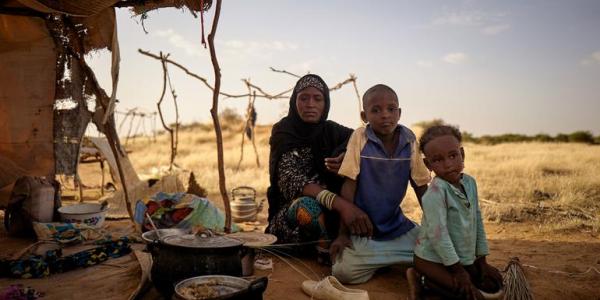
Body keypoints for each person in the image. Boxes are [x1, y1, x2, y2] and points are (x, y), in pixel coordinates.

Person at [330, 84, 431, 284]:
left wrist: (435, 227)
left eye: (391, 109)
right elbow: (349, 185)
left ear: (399, 113)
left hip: (397, 226)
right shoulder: (360, 137)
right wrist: (342, 234)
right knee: (343, 272)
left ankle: (381, 260)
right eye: (376, 110)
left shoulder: (409, 139)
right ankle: (397, 260)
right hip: (364, 230)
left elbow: (421, 187)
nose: (385, 115)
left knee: (437, 250)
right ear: (364, 115)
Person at [266, 74, 372, 259]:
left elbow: (363, 138)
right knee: (308, 207)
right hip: (293, 215)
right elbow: (291, 180)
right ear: (294, 101)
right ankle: (323, 253)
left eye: (317, 98)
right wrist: (342, 205)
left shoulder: (333, 131)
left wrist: (347, 156)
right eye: (303, 98)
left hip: (334, 211)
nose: (310, 104)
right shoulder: (283, 132)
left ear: (326, 103)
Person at [407, 125, 503, 300]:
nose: (448, 164)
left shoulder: (470, 183)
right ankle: (421, 279)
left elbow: (477, 220)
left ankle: (437, 282)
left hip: (459, 257)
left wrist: (482, 262)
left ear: (462, 154)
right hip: (430, 259)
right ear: (428, 164)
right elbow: (439, 236)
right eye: (438, 160)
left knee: (491, 283)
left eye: (453, 156)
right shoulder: (434, 194)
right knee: (471, 295)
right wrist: (458, 271)